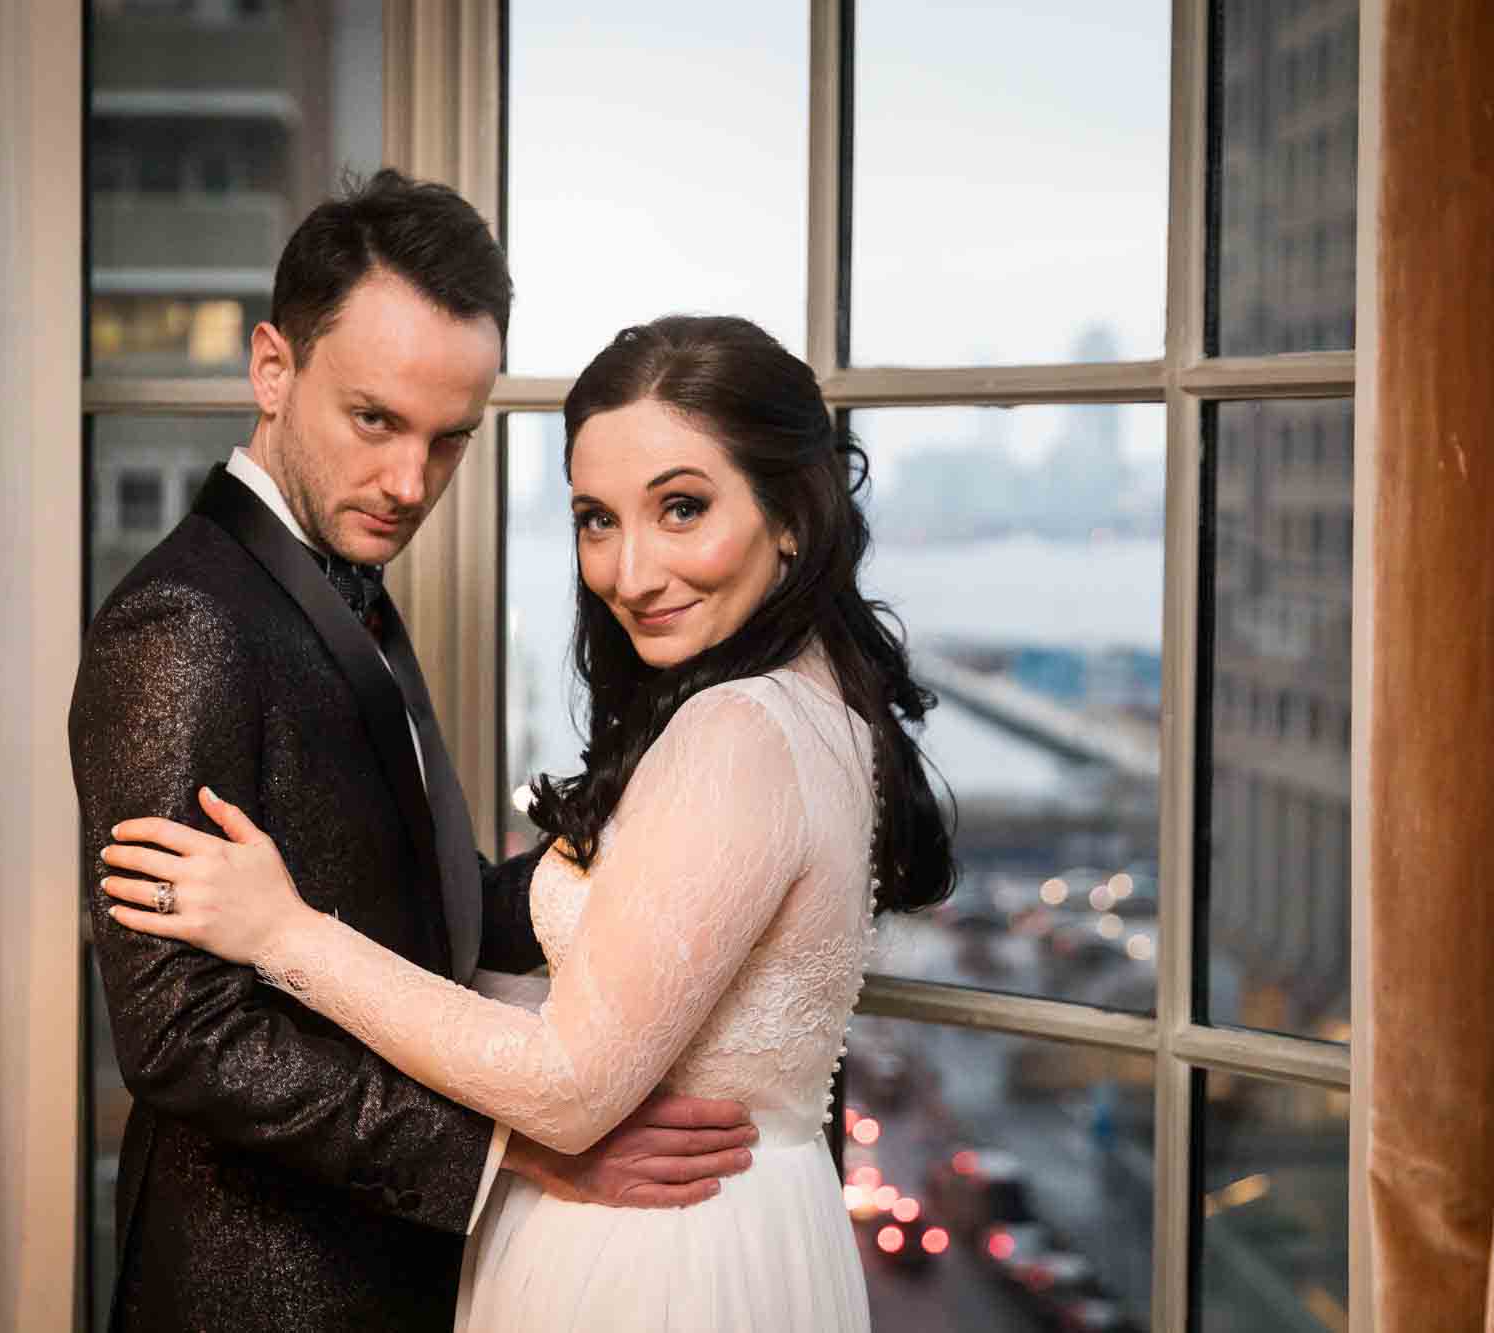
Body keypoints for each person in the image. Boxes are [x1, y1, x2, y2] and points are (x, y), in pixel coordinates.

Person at [102, 314, 957, 1331]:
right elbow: (623, 993)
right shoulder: (822, 702)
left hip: (656, 1262)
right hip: (736, 1230)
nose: (629, 573)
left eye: (680, 508)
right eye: (597, 519)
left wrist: (284, 933)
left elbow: (568, 1087)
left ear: (790, 514)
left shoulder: (736, 728)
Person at [68, 174, 757, 1333]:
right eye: (375, 419)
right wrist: (511, 1148)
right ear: (272, 370)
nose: (408, 483)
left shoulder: (341, 587)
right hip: (258, 1283)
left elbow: (410, 904)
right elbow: (180, 1036)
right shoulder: (184, 622)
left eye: (449, 441)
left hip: (386, 1266)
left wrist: (633, 867)